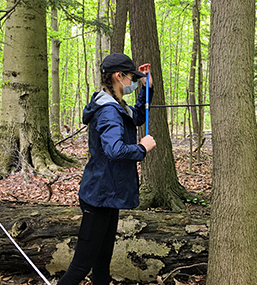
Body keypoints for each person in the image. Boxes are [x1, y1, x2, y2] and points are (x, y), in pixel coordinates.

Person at [58, 52, 156, 285]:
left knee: (102, 264)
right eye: (132, 77)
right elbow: (114, 150)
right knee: (80, 268)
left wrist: (146, 88)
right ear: (118, 76)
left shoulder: (116, 105)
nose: (133, 81)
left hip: (109, 193)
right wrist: (141, 148)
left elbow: (138, 117)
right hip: (99, 195)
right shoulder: (108, 110)